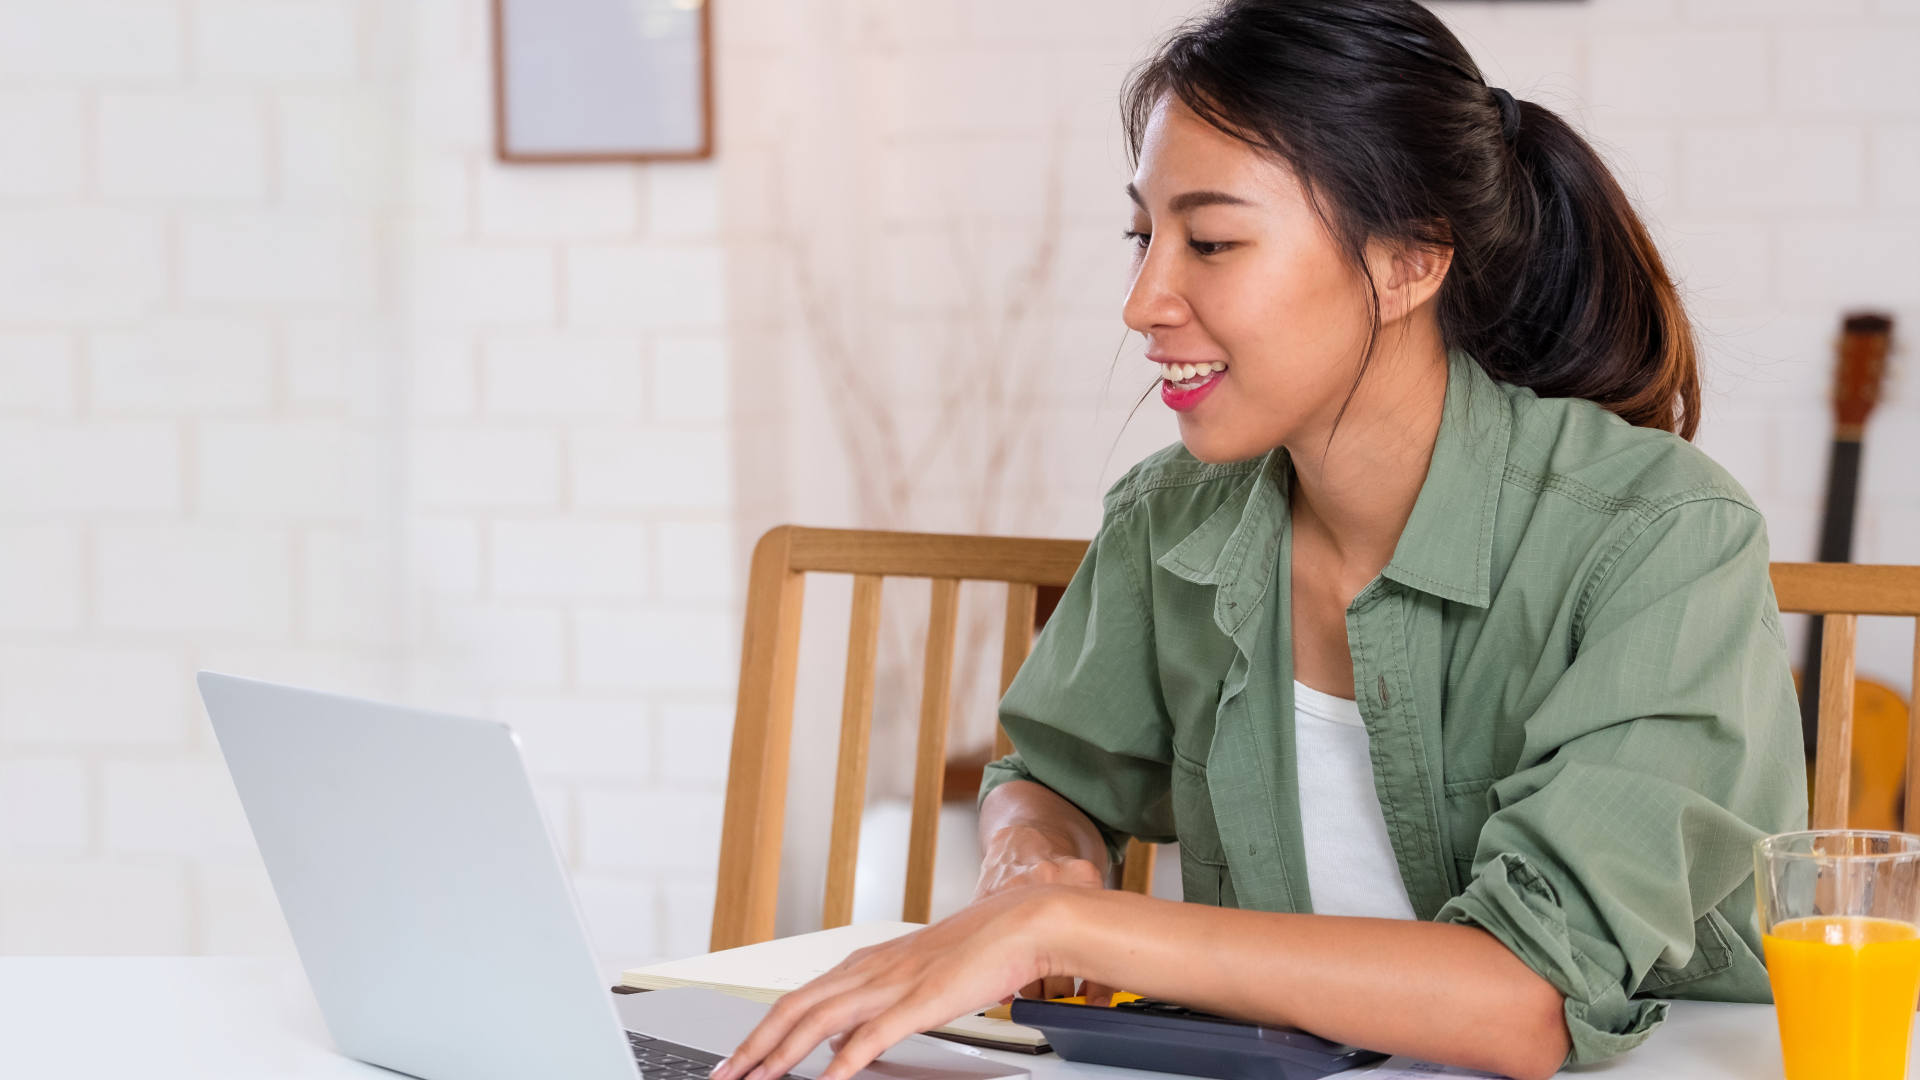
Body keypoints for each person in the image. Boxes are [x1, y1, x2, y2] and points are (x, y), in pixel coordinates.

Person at [708, 3, 1804, 1078]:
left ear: (1411, 260)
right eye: (1144, 236)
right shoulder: (1171, 516)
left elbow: (1526, 999)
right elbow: (1049, 774)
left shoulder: (1662, 538)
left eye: (1213, 241)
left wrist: (1066, 931)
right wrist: (1030, 859)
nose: (1143, 300)